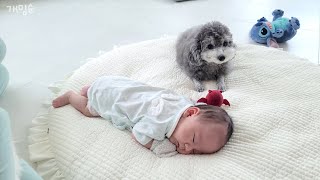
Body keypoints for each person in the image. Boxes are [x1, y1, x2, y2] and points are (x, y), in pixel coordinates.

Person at [52, 76, 233, 156]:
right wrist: (160, 147)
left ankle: (89, 88)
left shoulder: (183, 104)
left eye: (195, 151)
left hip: (115, 83)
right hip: (107, 100)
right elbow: (138, 133)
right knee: (89, 110)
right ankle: (71, 96)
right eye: (193, 138)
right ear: (191, 113)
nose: (187, 147)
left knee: (123, 90)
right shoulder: (161, 123)